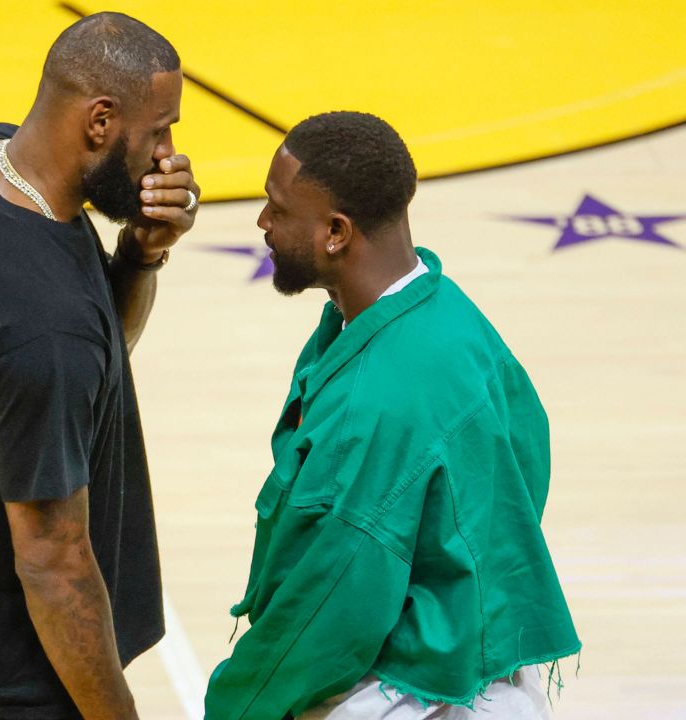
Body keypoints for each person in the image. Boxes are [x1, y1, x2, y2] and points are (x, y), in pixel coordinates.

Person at [0, 12, 199, 720]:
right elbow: (54, 564)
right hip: (10, 686)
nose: (169, 156)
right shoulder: (45, 328)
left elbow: (101, 355)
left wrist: (141, 254)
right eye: (159, 131)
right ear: (100, 122)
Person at [204, 112, 580, 720]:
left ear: (336, 232)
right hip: (484, 666)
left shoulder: (375, 403)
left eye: (278, 208)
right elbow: (526, 457)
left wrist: (235, 704)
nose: (263, 222)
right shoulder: (448, 312)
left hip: (406, 691)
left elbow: (328, 611)